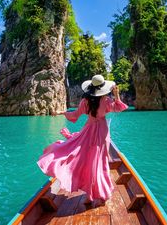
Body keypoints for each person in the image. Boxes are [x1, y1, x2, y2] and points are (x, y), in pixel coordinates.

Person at [37, 74, 128, 205]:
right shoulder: (107, 101)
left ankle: (88, 195)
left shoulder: (85, 102)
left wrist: (62, 113)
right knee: (100, 162)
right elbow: (119, 108)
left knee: (86, 160)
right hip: (102, 133)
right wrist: (117, 94)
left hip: (88, 131)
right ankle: (99, 193)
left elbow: (74, 115)